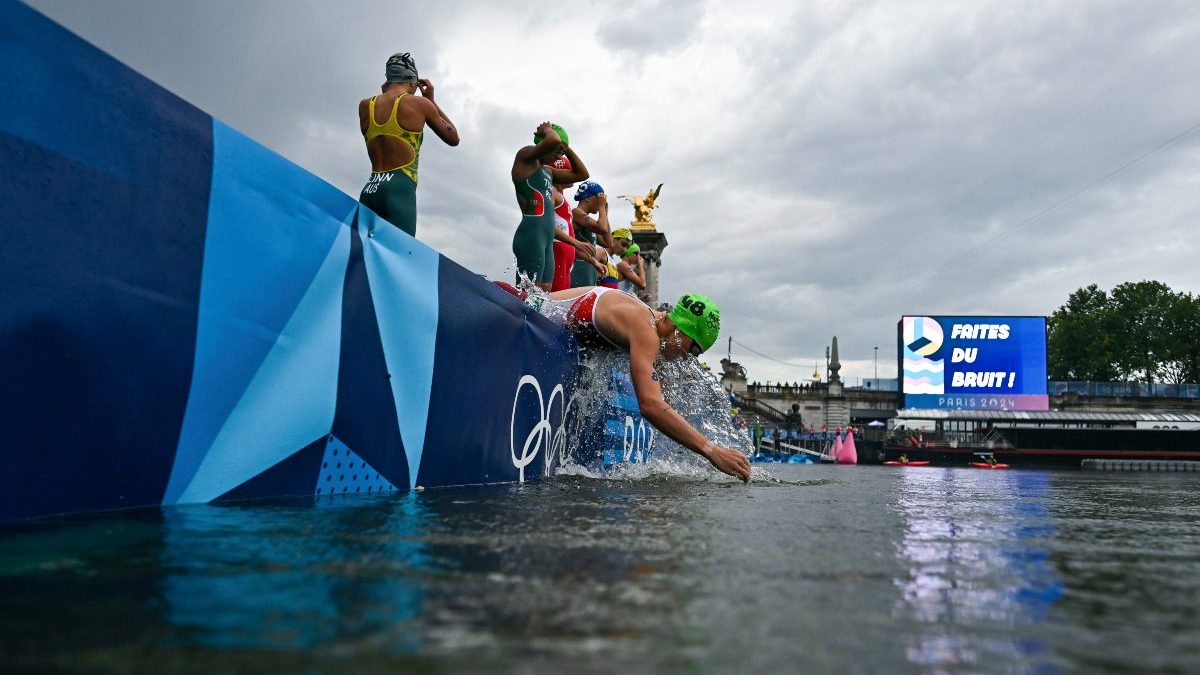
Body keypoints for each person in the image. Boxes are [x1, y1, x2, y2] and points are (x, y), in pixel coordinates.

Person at [494, 283, 751, 481]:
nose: (688, 357)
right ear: (680, 329)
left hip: (536, 328)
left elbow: (666, 402)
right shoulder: (645, 330)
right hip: (515, 311)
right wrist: (711, 451)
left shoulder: (658, 331)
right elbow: (651, 405)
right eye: (693, 349)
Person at [359, 52, 459, 237]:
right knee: (399, 259)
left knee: (360, 260)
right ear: (412, 82)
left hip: (371, 189)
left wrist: (387, 90)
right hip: (399, 190)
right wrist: (431, 101)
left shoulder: (365, 106)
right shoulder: (420, 104)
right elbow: (453, 138)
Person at [512, 123, 589, 290]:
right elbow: (553, 139)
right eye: (559, 151)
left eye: (563, 152)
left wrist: (566, 148)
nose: (560, 158)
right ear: (545, 144)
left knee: (543, 298)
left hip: (546, 239)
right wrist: (547, 130)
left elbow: (582, 174)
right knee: (526, 296)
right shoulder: (525, 158)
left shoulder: (548, 171)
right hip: (531, 234)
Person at [549, 159, 604, 291]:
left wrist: (593, 261)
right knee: (554, 299)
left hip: (566, 258)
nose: (574, 176)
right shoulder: (552, 192)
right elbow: (546, 225)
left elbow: (569, 240)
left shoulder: (561, 197)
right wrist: (576, 243)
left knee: (560, 303)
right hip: (558, 253)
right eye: (570, 173)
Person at [570, 181, 612, 288]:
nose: (600, 203)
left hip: (588, 274)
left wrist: (605, 213)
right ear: (587, 198)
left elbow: (608, 242)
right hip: (577, 272)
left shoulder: (590, 224)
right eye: (599, 199)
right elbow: (602, 228)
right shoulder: (576, 213)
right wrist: (602, 208)